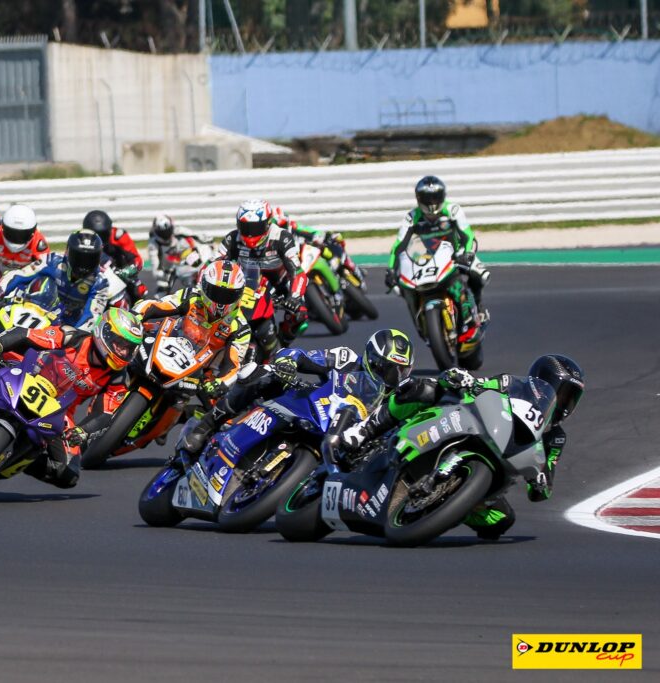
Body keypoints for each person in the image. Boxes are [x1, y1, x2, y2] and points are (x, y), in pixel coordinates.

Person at [338, 354, 585, 540]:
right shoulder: (513, 385)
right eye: (563, 394)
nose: (565, 404)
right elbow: (483, 384)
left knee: (501, 521)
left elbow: (544, 485)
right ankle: (365, 430)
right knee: (422, 389)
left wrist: (542, 481)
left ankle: (450, 502)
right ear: (541, 382)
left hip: (499, 470)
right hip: (471, 423)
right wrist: (466, 379)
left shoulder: (555, 438)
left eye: (570, 398)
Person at [0, 308, 146, 488]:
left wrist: (82, 432)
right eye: (120, 344)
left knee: (67, 475)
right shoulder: (73, 338)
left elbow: (105, 413)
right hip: (24, 372)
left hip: (57, 410)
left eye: (129, 349)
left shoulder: (117, 378)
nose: (124, 352)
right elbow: (26, 335)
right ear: (103, 332)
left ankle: (5, 463)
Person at [178, 328, 416, 459]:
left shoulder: (397, 400)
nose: (392, 377)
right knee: (258, 373)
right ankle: (207, 424)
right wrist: (288, 362)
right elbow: (302, 355)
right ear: (371, 359)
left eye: (400, 371)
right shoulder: (347, 359)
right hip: (310, 405)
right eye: (387, 368)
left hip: (344, 441)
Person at [133, 260, 252, 401]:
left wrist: (221, 383)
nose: (220, 302)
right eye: (216, 293)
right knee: (128, 354)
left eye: (228, 295)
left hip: (202, 375)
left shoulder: (240, 328)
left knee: (213, 414)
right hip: (170, 348)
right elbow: (159, 305)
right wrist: (136, 315)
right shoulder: (191, 296)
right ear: (205, 287)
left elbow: (233, 365)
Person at [386, 176, 491, 322]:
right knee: (401, 287)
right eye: (428, 199)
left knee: (480, 275)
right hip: (428, 257)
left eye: (435, 198)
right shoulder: (412, 217)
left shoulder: (452, 210)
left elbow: (468, 236)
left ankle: (478, 306)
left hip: (457, 253)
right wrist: (391, 270)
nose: (432, 203)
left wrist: (468, 254)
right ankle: (420, 319)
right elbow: (399, 246)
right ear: (419, 199)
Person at [215, 200, 309, 356]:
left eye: (256, 227)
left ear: (267, 223)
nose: (251, 233)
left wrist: (294, 297)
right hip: (246, 284)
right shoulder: (232, 238)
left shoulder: (282, 237)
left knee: (299, 315)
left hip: (279, 285)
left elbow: (297, 272)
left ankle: (283, 343)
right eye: (246, 228)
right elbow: (212, 264)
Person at [0, 230, 111, 331]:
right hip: (40, 309)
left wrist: (73, 337)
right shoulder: (52, 261)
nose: (84, 264)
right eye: (80, 257)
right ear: (68, 252)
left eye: (90, 259)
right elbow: (19, 275)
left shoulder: (100, 283)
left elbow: (91, 318)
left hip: (67, 324)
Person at [83, 209, 146, 301]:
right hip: (92, 274)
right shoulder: (80, 240)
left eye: (104, 234)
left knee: (139, 290)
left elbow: (137, 260)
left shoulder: (118, 236)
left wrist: (124, 273)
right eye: (98, 235)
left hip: (118, 271)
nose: (101, 238)